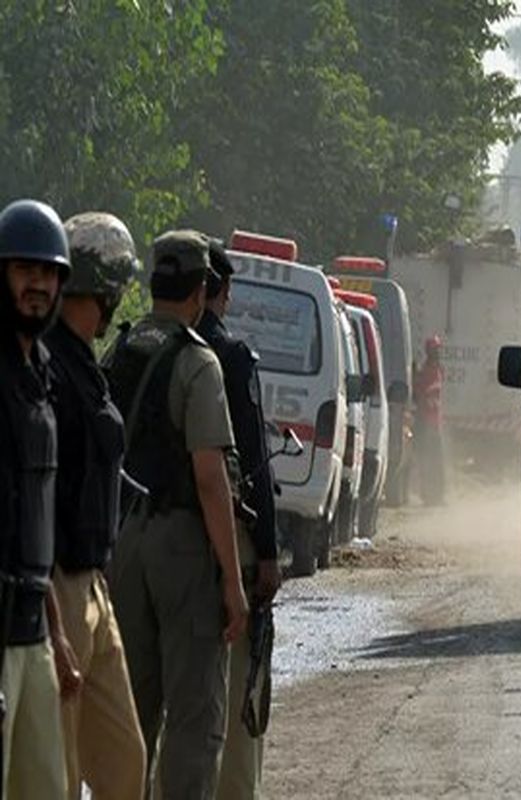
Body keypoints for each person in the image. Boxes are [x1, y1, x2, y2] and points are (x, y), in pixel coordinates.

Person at [105, 230, 248, 798]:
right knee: (193, 718)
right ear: (202, 289)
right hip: (182, 548)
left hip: (123, 543)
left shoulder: (120, 349)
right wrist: (233, 583)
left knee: (133, 714)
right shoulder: (196, 362)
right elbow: (211, 478)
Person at [45, 212, 147, 799]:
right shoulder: (48, 367)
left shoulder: (84, 361)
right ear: (104, 289)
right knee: (57, 769)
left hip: (93, 583)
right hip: (56, 582)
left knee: (124, 762)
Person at [195, 238, 281, 800]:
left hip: (149, 543)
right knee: (237, 688)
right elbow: (250, 459)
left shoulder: (135, 351)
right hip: (226, 541)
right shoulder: (228, 357)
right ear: (220, 293)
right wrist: (268, 552)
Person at [0, 199, 72, 799]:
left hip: (34, 633)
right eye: (25, 271)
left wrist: (58, 633)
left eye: (48, 274)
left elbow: (34, 518)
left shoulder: (42, 371)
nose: (38, 286)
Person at [413, 336, 446, 505]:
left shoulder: (437, 369)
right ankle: (428, 495)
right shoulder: (425, 371)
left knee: (438, 461)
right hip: (426, 423)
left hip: (435, 423)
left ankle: (438, 496)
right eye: (435, 350)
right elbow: (420, 395)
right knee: (428, 460)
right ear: (429, 352)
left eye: (439, 349)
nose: (438, 353)